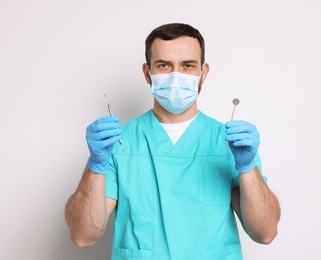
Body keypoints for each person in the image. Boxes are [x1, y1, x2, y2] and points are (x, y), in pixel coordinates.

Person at [65, 23, 280, 260]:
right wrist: (96, 166)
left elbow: (265, 233)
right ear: (147, 73)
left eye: (187, 65)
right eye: (164, 65)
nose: (176, 75)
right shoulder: (117, 144)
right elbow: (83, 235)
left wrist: (248, 168)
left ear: (203, 73)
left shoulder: (230, 144)